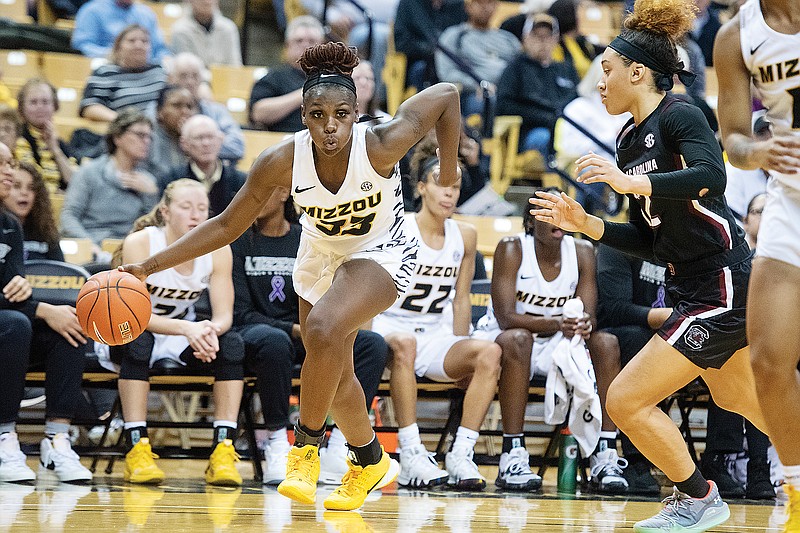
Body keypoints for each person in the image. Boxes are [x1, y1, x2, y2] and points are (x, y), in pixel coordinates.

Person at [121, 41, 462, 511]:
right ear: (303, 114)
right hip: (320, 254)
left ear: (356, 112)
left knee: (320, 327)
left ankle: (305, 448)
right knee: (337, 375)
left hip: (383, 250)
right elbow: (224, 226)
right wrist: (145, 267)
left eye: (341, 113)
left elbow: (447, 94)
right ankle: (371, 461)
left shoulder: (381, 143)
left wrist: (447, 163)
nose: (330, 125)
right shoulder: (281, 160)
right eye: (318, 114)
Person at [530, 0, 771, 530]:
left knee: (626, 399)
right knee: (740, 397)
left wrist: (629, 183)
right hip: (689, 284)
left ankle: (700, 499)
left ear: (637, 72)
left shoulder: (681, 114)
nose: (600, 82)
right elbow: (652, 239)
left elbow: (713, 176)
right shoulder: (627, 139)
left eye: (608, 71)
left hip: (723, 283)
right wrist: (586, 224)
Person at [230, 188, 388, 486]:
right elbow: (240, 311)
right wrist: (294, 330)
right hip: (258, 333)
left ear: (282, 194)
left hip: (307, 330)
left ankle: (344, 442)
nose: (254, 195)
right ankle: (277, 441)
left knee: (372, 344)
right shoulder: (240, 242)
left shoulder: (305, 238)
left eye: (264, 188)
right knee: (272, 342)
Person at [371, 145, 501, 491]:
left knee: (489, 353)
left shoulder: (466, 235)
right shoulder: (398, 228)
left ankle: (461, 453)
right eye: (441, 184)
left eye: (456, 187)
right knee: (406, 343)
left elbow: (461, 298)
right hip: (390, 325)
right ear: (421, 188)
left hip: (434, 333)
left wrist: (461, 348)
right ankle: (411, 451)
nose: (449, 193)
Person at [715, 0, 800, 524]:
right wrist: (759, 151)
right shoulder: (736, 35)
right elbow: (733, 140)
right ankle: (797, 496)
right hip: (789, 202)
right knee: (767, 363)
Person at [108, 178, 245, 486]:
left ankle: (223, 450)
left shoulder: (218, 249)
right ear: (166, 212)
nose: (196, 215)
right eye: (186, 207)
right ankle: (136, 449)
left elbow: (224, 315)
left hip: (185, 333)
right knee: (137, 343)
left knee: (231, 345)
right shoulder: (141, 243)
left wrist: (210, 331)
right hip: (137, 328)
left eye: (202, 208)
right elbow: (132, 314)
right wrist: (187, 328)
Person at [475, 190, 613, 493]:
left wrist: (584, 323)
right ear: (530, 220)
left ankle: (606, 452)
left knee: (607, 344)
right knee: (520, 340)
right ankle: (512, 453)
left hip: (556, 341)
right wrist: (557, 324)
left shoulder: (582, 251)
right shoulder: (512, 249)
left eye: (563, 210)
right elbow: (506, 317)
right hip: (505, 339)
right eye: (549, 211)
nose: (558, 216)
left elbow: (590, 314)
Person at [0, 142, 93, 484]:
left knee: (67, 327)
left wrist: (34, 302)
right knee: (15, 323)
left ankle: (57, 440)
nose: (9, 171)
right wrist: (40, 307)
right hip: (9, 325)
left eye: (10, 163)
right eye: (3, 165)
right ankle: (4, 437)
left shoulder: (9, 226)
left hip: (11, 323)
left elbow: (12, 291)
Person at [61, 109, 160, 260]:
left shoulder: (148, 181)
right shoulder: (89, 172)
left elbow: (152, 228)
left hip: (130, 250)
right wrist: (89, 245)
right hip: (91, 248)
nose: (146, 141)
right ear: (117, 138)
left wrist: (151, 195)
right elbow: (69, 216)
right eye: (140, 135)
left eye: (149, 137)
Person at [496, 13, 579, 156]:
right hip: (531, 130)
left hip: (566, 128)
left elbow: (577, 101)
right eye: (536, 35)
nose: (542, 41)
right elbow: (504, 105)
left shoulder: (566, 69)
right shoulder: (515, 68)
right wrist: (544, 117)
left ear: (556, 39)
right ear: (525, 39)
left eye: (547, 36)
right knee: (545, 138)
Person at [248, 16, 325, 132]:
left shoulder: (332, 77)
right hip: (284, 142)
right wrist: (304, 94)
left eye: (312, 41)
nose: (306, 46)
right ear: (287, 45)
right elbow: (258, 113)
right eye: (299, 41)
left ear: (322, 46)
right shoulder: (274, 77)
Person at [165, 53, 245, 163]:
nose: (190, 82)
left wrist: (197, 141)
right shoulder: (161, 111)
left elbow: (237, 147)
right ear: (170, 79)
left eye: (195, 76)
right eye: (183, 76)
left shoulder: (216, 111)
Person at [161, 114, 246, 217]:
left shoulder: (241, 181)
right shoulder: (172, 179)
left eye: (211, 137)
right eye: (199, 138)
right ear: (184, 144)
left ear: (220, 140)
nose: (206, 143)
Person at [79, 24, 167, 123]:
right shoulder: (105, 72)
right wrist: (127, 122)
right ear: (118, 47)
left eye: (144, 41)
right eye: (131, 41)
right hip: (125, 129)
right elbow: (89, 107)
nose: (139, 45)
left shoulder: (159, 70)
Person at [15, 79, 74, 192]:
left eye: (45, 102)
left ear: (55, 106)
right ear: (22, 108)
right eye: (33, 102)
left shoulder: (60, 143)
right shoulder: (17, 137)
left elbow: (76, 182)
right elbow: (29, 180)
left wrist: (55, 150)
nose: (40, 107)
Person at [72, 0, 171, 64]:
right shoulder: (92, 11)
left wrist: (165, 60)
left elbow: (160, 49)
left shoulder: (146, 13)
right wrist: (115, 55)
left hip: (147, 71)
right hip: (109, 67)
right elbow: (83, 45)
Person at [3, 162, 64, 261]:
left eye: (31, 188)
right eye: (17, 186)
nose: (24, 192)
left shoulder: (45, 231)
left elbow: (62, 272)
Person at [143, 85, 198, 182]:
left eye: (189, 106)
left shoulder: (199, 140)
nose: (185, 111)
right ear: (159, 111)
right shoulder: (146, 138)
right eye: (177, 105)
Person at [169, 0, 242, 67]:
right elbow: (186, 70)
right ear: (190, 1)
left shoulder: (229, 28)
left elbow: (235, 66)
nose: (207, 2)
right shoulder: (180, 30)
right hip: (193, 80)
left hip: (226, 79)